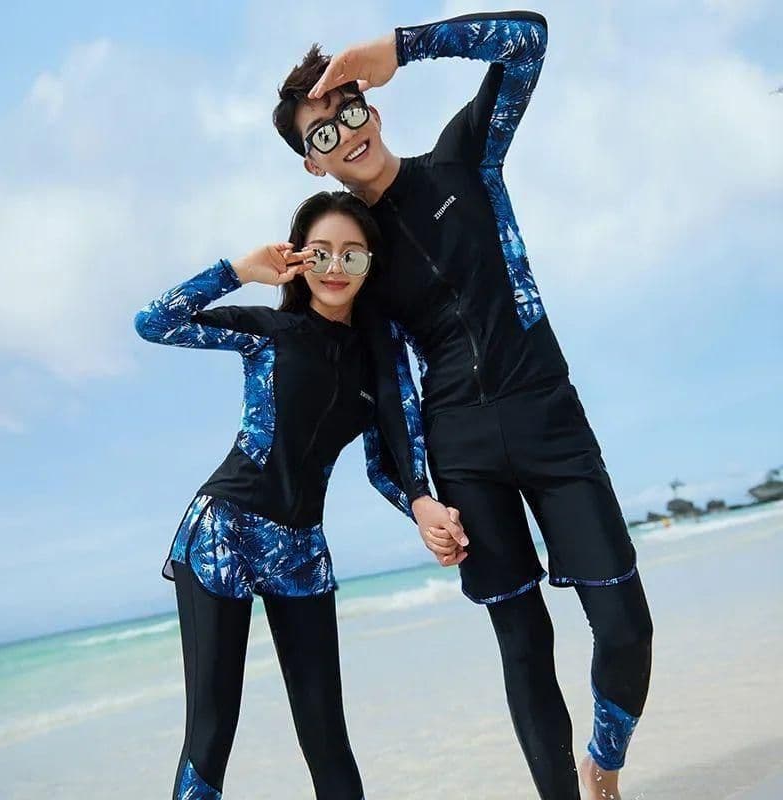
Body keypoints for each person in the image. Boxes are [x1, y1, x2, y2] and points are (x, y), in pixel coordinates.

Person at [272, 11, 653, 800]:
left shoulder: (463, 158)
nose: (345, 134)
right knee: (523, 643)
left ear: (371, 106)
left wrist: (404, 47)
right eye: (322, 133)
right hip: (463, 453)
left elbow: (528, 41)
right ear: (313, 163)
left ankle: (604, 763)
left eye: (348, 110)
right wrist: (415, 496)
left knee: (625, 627)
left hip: (550, 418)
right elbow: (387, 391)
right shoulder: (353, 259)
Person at [134, 190, 462, 800]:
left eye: (352, 255)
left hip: (301, 551)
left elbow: (390, 462)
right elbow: (153, 323)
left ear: (370, 264)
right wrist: (238, 271)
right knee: (212, 729)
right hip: (223, 533)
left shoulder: (379, 358)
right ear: (299, 257)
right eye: (321, 252)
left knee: (326, 735)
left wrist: (422, 506)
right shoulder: (269, 331)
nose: (336, 267)